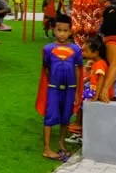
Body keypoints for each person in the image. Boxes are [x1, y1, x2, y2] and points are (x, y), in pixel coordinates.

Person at [36, 14, 82, 162]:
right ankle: (47, 148)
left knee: (66, 117)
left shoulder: (76, 50)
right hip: (54, 89)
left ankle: (61, 142)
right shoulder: (48, 49)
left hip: (70, 89)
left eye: (65, 30)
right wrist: (51, 85)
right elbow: (47, 69)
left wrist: (75, 91)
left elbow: (77, 70)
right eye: (59, 30)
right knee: (50, 117)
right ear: (54, 30)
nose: (62, 33)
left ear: (70, 31)